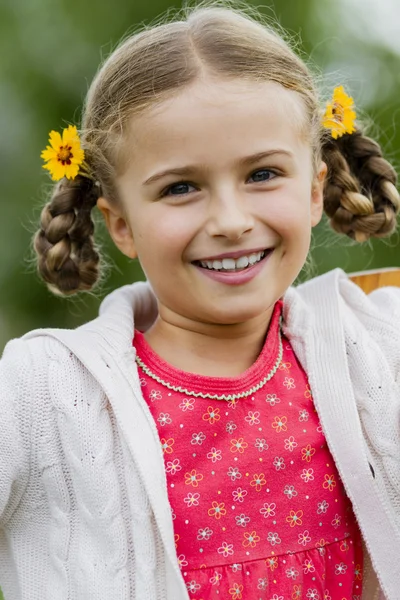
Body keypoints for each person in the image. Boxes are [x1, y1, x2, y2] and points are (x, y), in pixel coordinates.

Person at [1, 3, 400, 600]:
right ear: (121, 224)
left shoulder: (379, 347)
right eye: (180, 188)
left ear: (315, 190)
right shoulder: (42, 393)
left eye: (263, 174)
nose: (232, 221)